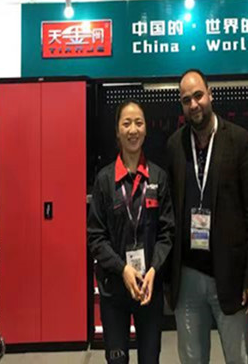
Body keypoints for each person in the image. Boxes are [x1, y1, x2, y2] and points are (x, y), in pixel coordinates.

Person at [166, 70, 248, 364]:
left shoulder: (239, 140)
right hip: (187, 276)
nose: (194, 104)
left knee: (238, 358)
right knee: (192, 359)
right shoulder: (175, 145)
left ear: (210, 94)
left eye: (198, 96)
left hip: (230, 274)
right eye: (186, 100)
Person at [88, 101, 175, 364]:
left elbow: (167, 233)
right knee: (117, 360)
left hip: (149, 288)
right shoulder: (105, 181)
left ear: (146, 129)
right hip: (114, 289)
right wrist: (123, 269)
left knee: (150, 359)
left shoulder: (158, 178)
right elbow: (96, 237)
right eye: (126, 123)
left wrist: (154, 269)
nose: (133, 129)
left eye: (138, 123)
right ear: (117, 131)